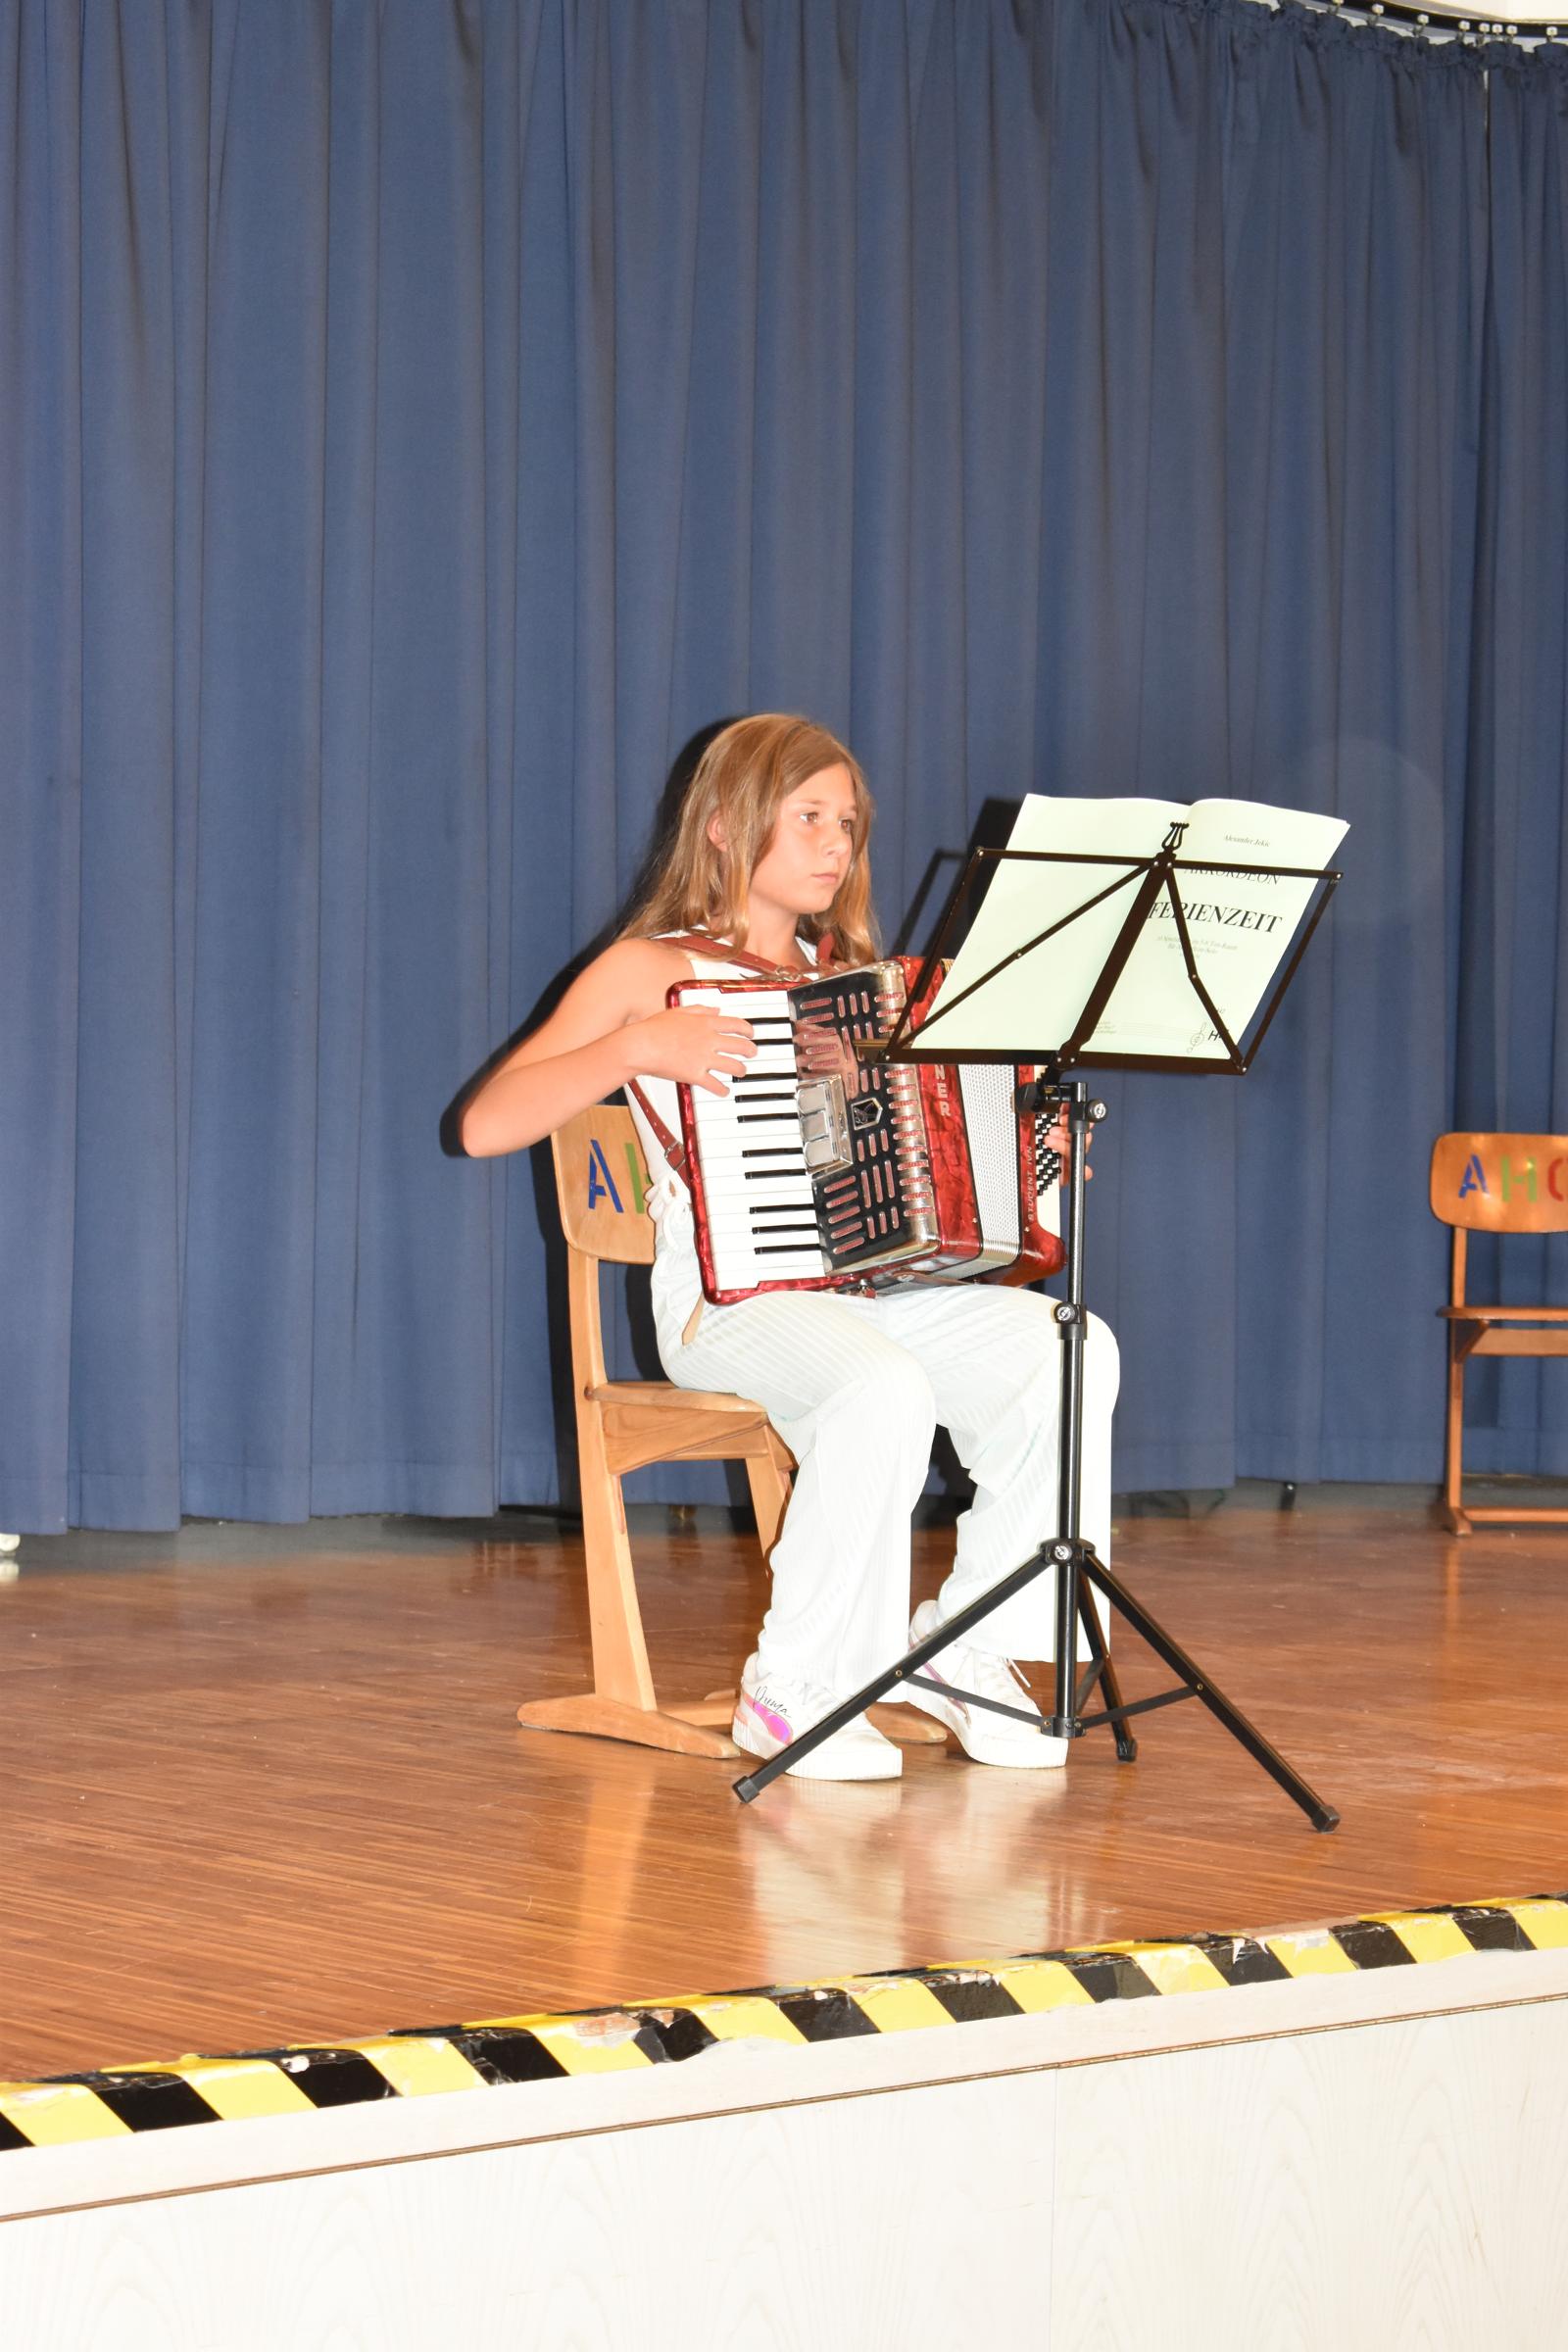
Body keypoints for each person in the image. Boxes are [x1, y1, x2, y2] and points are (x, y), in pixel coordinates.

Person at [461, 713, 1118, 1782]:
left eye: (847, 823)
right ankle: (796, 1684)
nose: (834, 843)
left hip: (872, 1295)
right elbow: (487, 1124)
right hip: (727, 1304)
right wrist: (636, 1046)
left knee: (1063, 1346)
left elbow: (936, 1151)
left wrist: (1026, 1154)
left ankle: (964, 1647)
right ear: (724, 825)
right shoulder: (649, 970)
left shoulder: (862, 982)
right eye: (807, 816)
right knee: (877, 1382)